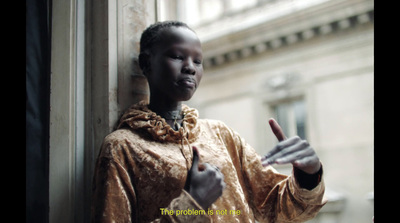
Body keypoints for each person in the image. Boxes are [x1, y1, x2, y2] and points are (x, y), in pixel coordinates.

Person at [91, 21, 327, 223]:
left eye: (198, 61)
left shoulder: (221, 134)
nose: (190, 68)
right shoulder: (122, 147)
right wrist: (190, 204)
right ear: (146, 63)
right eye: (177, 56)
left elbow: (277, 209)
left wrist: (309, 174)